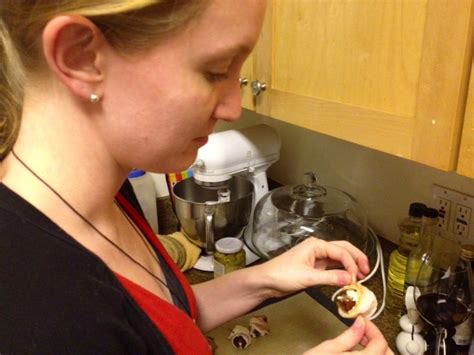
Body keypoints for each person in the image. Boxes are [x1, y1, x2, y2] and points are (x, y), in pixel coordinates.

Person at [0, 1, 393, 354]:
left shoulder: (101, 191)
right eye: (216, 70)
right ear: (81, 56)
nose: (234, 108)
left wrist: (265, 279)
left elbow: (159, 324)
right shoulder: (32, 309)